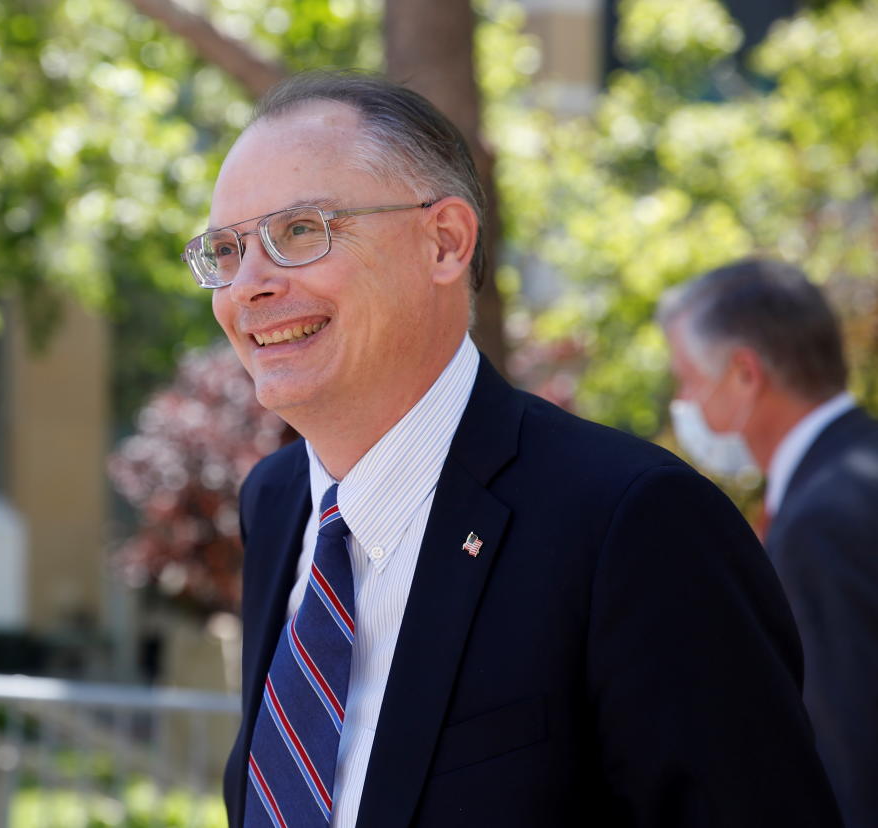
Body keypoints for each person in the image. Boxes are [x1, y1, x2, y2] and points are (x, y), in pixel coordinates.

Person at [183, 70, 840, 827]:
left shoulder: (635, 524)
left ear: (445, 242)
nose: (248, 286)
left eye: (300, 232)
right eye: (225, 251)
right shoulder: (275, 503)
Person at [659, 258, 878, 828]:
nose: (684, 404)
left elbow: (851, 756)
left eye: (687, 379)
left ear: (744, 374)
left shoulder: (820, 522)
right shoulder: (851, 473)